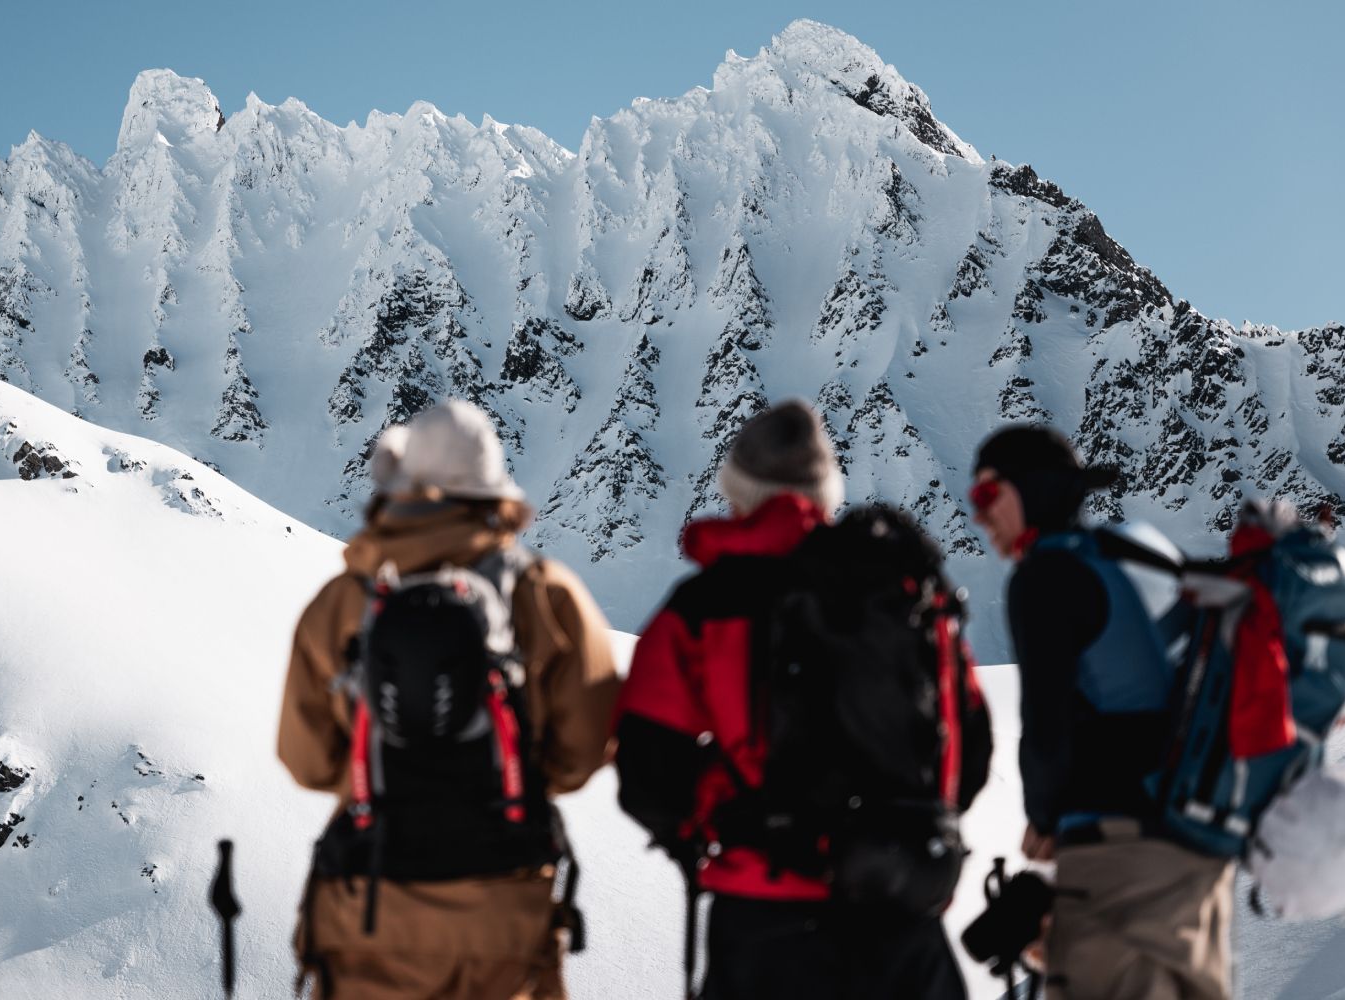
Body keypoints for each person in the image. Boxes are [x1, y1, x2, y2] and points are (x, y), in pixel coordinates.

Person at [615, 400, 992, 1000]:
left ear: (740, 492)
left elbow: (648, 770)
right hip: (903, 922)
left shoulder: (710, 602)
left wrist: (721, 817)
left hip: (766, 923)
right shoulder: (905, 593)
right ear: (826, 494)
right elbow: (968, 748)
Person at [278, 400, 620, 1000]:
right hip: (503, 903)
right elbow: (585, 750)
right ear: (492, 492)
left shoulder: (342, 602)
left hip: (370, 900)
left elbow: (306, 760)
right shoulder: (545, 594)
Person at [971, 425, 1235, 1000]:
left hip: (1118, 858)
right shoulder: (1138, 554)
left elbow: (1048, 726)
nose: (980, 517)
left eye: (987, 496)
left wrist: (1043, 818)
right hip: (1196, 855)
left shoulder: (1044, 576)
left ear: (1030, 491)